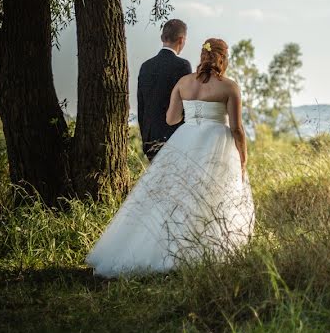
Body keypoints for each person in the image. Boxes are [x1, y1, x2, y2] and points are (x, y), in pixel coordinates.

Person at [86, 38, 254, 277]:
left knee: (174, 198)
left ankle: (158, 250)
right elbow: (237, 128)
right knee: (213, 199)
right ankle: (204, 252)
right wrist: (243, 157)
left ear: (202, 56)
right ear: (223, 58)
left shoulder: (183, 83)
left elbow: (172, 119)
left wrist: (193, 115)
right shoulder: (229, 86)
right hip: (217, 142)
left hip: (186, 140)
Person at [137, 19, 192, 161]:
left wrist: (145, 139)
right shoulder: (182, 66)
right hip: (173, 140)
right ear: (181, 40)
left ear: (162, 38)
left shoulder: (146, 66)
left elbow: (141, 106)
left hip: (149, 140)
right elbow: (186, 105)